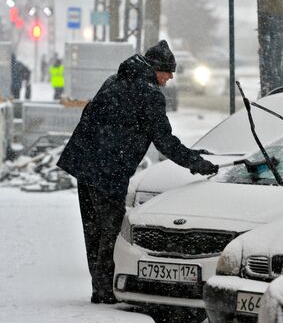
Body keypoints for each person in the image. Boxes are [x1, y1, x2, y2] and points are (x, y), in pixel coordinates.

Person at [56, 40, 218, 304]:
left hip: (85, 163)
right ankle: (106, 291)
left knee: (94, 230)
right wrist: (197, 163)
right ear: (156, 69)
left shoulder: (114, 80)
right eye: (168, 71)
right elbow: (164, 140)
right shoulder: (149, 94)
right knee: (110, 232)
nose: (171, 77)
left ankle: (100, 287)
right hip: (108, 170)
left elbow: (91, 114)